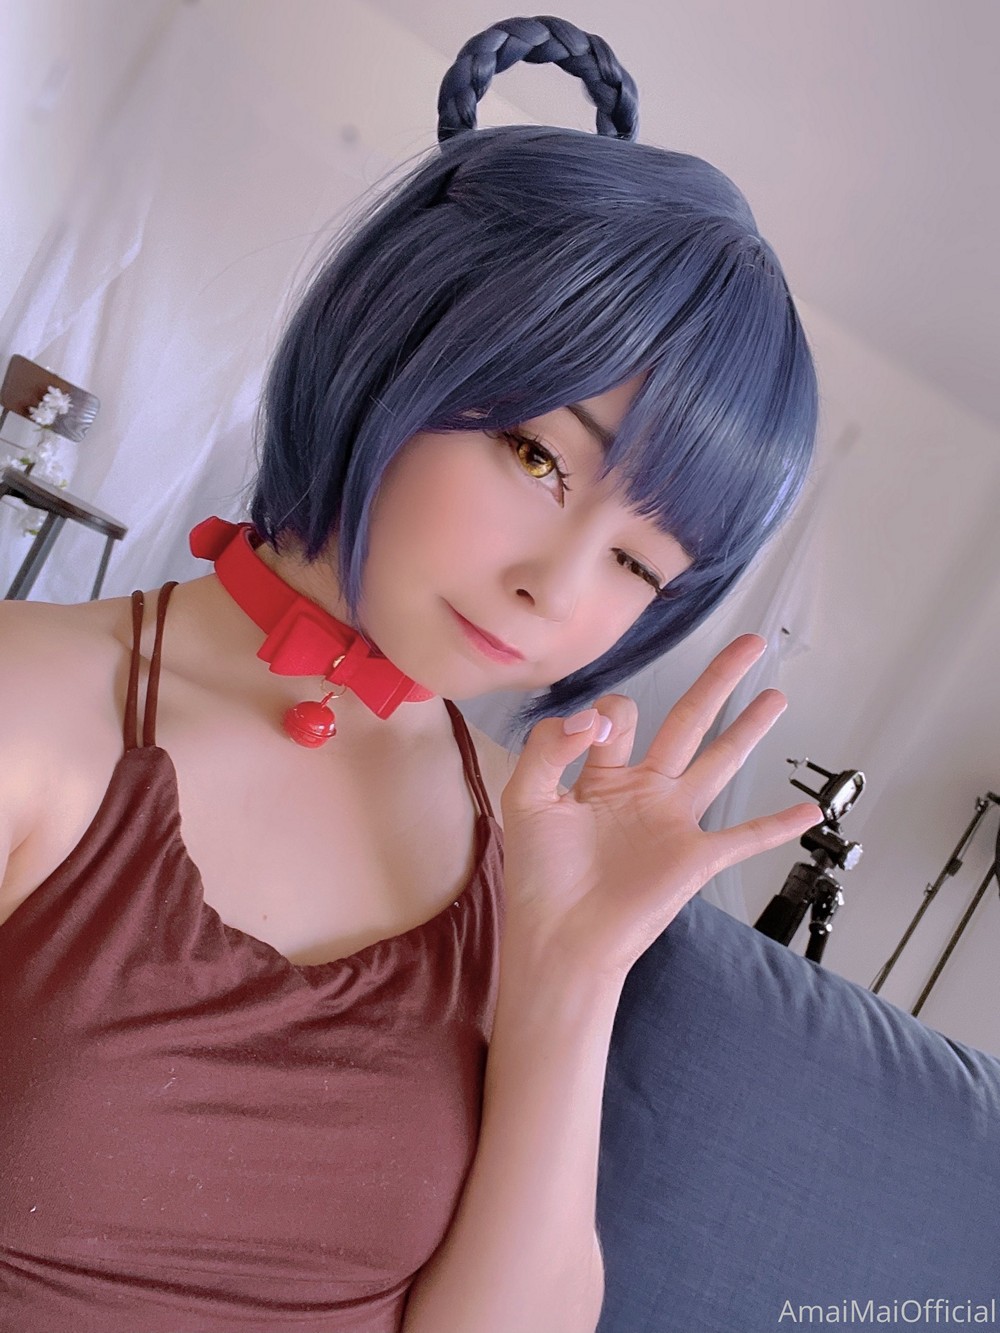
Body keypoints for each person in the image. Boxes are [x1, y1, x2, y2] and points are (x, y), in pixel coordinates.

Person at [0, 15, 822, 1333]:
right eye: (539, 457)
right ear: (401, 336)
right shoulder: (34, 706)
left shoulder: (537, 851)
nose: (557, 588)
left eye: (640, 563)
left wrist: (571, 981)